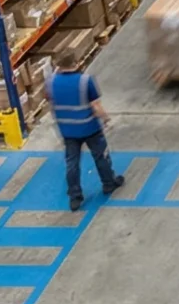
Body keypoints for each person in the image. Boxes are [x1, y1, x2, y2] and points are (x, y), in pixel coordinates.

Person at [49, 63, 126, 212]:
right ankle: (108, 183)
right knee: (100, 156)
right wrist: (105, 118)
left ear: (59, 65)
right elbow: (95, 106)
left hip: (68, 130)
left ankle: (75, 196)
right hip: (89, 127)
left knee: (72, 163)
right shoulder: (85, 80)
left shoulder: (51, 82)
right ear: (76, 64)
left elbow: (52, 106)